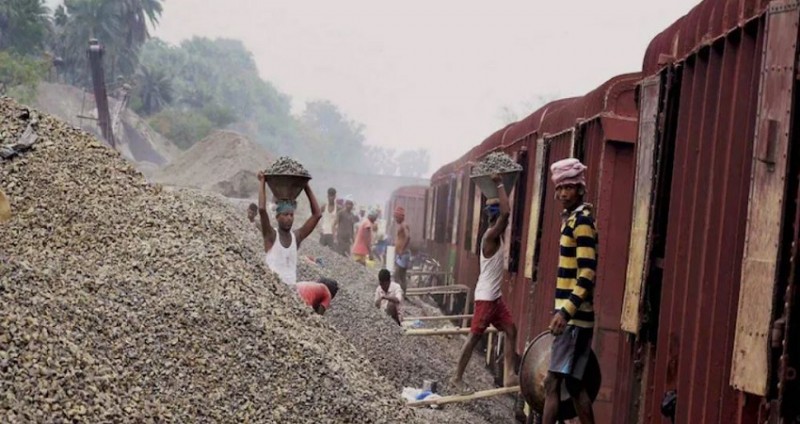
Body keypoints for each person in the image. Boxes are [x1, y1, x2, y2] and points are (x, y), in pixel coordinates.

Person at [452, 174, 520, 388]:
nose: (505, 222)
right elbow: (507, 213)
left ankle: (509, 375)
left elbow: (505, 214)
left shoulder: (493, 236)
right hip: (486, 298)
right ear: (496, 217)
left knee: (511, 330)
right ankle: (456, 378)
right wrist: (500, 183)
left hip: (495, 297)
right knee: (473, 338)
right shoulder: (490, 236)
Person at [542, 158, 597, 424]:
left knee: (552, 383)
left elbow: (587, 272)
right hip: (574, 318)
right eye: (560, 188)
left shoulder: (582, 222)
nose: (564, 193)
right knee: (575, 386)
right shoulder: (573, 219)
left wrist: (565, 312)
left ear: (580, 189)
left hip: (575, 319)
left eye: (570, 188)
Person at [257, 171, 322, 285]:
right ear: (277, 217)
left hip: (291, 293)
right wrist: (262, 182)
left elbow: (317, 215)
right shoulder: (271, 236)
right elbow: (262, 209)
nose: (289, 218)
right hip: (273, 288)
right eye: (285, 215)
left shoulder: (296, 237)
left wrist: (305, 186)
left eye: (291, 215)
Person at [393, 206, 411, 295]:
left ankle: (399, 294)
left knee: (397, 275)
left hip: (403, 254)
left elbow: (408, 237)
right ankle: (403, 294)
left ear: (401, 216)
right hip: (402, 254)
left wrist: (402, 250)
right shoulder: (402, 225)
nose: (395, 219)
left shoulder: (404, 225)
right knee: (402, 275)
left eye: (396, 217)